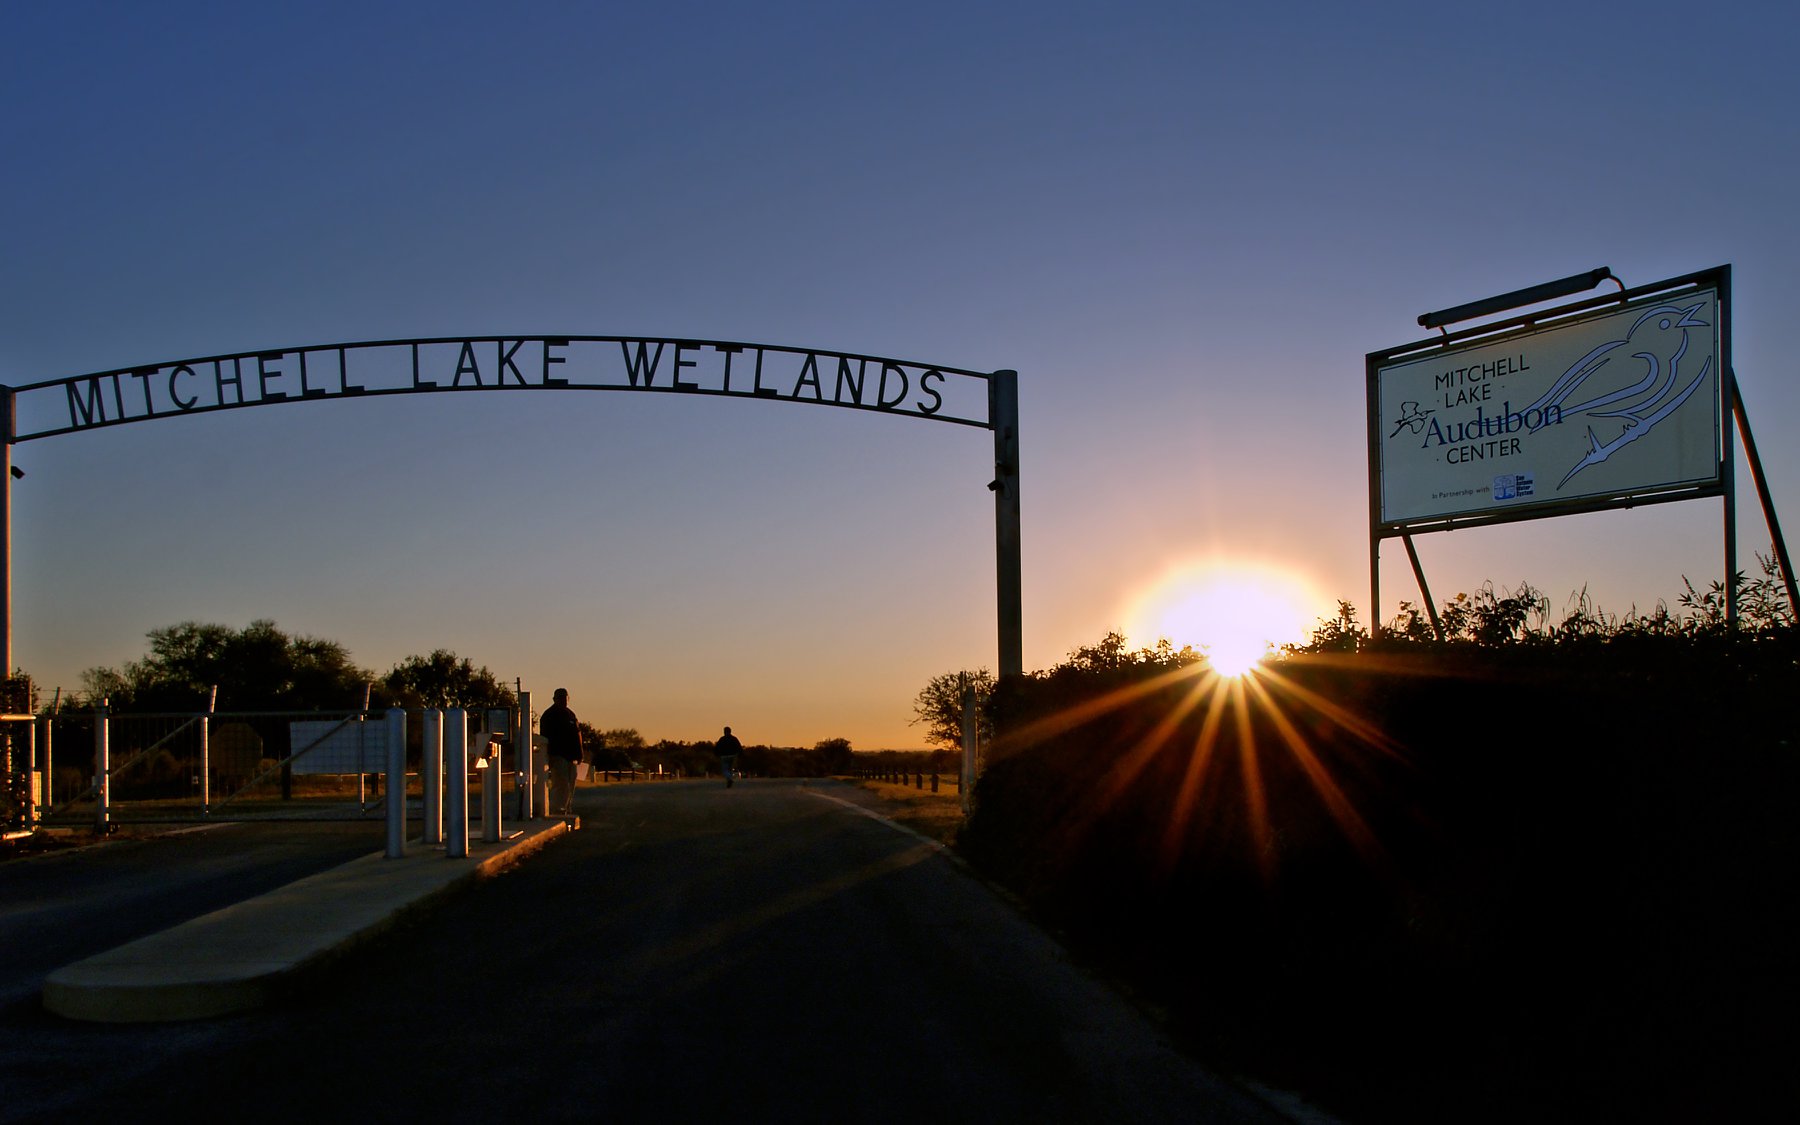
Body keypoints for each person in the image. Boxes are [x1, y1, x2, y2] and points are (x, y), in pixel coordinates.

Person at [541, 688, 584, 816]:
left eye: (565, 698)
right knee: (561, 783)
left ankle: (567, 807)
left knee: (571, 783)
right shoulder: (549, 715)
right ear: (554, 699)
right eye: (560, 698)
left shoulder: (571, 715)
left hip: (572, 756)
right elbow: (545, 737)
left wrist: (580, 753)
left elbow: (578, 734)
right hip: (558, 755)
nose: (563, 700)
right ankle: (557, 809)